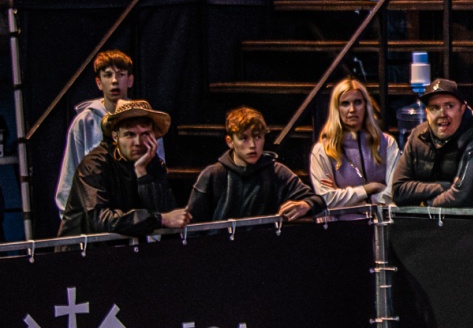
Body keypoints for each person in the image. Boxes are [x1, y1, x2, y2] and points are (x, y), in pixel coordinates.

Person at [58, 99, 188, 238]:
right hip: (85, 248)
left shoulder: (150, 162)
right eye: (130, 134)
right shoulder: (94, 165)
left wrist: (142, 174)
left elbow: (167, 211)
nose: (138, 142)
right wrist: (159, 219)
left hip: (128, 247)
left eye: (145, 134)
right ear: (115, 136)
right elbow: (100, 219)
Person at [54, 49, 161, 213]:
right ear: (99, 82)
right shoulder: (85, 122)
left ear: (130, 80)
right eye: (108, 75)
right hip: (98, 210)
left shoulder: (145, 119)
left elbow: (158, 167)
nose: (114, 81)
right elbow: (70, 173)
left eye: (120, 74)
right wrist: (70, 216)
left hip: (137, 207)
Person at [187, 107, 324, 224]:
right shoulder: (213, 175)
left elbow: (316, 199)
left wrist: (306, 204)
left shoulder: (277, 172)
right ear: (230, 142)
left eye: (257, 137)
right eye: (244, 138)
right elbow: (192, 226)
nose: (252, 145)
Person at [390, 79, 473, 209]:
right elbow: (398, 191)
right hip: (430, 221)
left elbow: (460, 198)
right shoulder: (417, 136)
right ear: (427, 113)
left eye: (449, 106)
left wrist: (423, 205)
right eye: (435, 108)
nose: (442, 114)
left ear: (462, 109)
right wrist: (441, 187)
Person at [312, 78, 400, 210]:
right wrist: (371, 188)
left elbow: (394, 192)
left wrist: (344, 198)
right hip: (341, 222)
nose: (352, 109)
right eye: (345, 104)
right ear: (337, 108)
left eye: (358, 102)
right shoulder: (322, 150)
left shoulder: (387, 143)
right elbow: (326, 199)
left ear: (366, 105)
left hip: (379, 220)